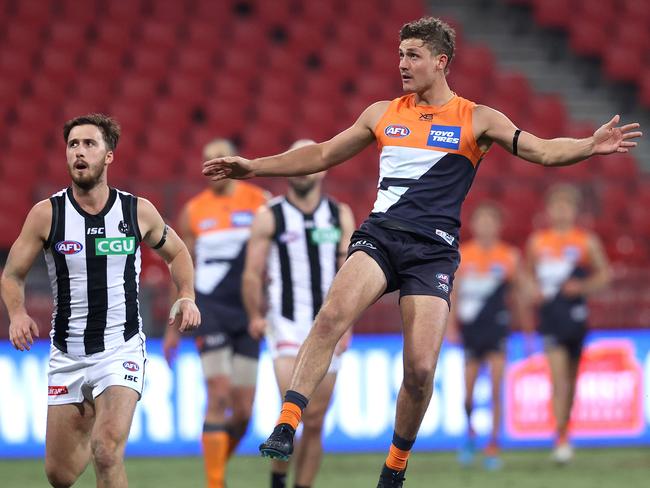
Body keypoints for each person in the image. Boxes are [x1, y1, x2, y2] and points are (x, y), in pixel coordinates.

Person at [202, 16, 642, 487]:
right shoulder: (382, 113)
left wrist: (588, 146)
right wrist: (254, 167)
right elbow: (323, 154)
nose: (402, 64)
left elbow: (543, 151)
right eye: (400, 55)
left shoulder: (478, 119)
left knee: (420, 368)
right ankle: (287, 421)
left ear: (441, 61)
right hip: (381, 237)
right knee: (331, 315)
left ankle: (394, 466)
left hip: (434, 252)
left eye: (413, 56)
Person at [0, 113, 200, 488]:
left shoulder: (136, 211)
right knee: (59, 476)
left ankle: (103, 415)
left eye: (89, 144)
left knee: (106, 451)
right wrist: (17, 313)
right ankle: (90, 412)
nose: (79, 151)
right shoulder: (47, 214)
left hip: (119, 349)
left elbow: (178, 254)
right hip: (67, 355)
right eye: (73, 144)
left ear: (109, 156)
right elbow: (12, 274)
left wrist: (187, 296)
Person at [241, 140, 356, 488]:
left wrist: (348, 322)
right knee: (293, 411)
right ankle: (278, 480)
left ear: (323, 168)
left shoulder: (340, 214)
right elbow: (252, 271)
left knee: (317, 421)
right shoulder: (270, 214)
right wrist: (255, 314)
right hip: (285, 323)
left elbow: (350, 271)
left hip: (329, 324)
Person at [163, 138, 268, 488]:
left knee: (243, 412)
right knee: (218, 395)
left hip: (248, 310)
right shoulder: (194, 211)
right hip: (211, 309)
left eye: (216, 161)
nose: (210, 168)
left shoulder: (260, 204)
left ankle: (216, 464)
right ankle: (215, 483)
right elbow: (181, 269)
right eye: (205, 162)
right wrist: (174, 326)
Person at [523, 183, 610, 464]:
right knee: (558, 378)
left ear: (574, 211)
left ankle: (565, 429)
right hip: (550, 316)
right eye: (556, 206)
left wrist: (582, 286)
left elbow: (604, 275)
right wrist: (533, 290)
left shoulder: (586, 241)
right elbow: (525, 277)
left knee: (571, 380)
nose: (561, 211)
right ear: (549, 211)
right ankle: (560, 438)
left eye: (566, 206)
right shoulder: (538, 242)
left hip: (575, 317)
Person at [447, 203, 522, 470]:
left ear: (498, 226)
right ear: (475, 225)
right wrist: (451, 326)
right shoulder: (463, 255)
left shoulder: (509, 256)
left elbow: (518, 294)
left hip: (497, 328)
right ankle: (470, 433)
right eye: (482, 221)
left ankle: (493, 444)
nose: (487, 226)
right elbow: (453, 293)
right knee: (468, 392)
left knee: (496, 387)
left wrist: (526, 329)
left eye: (491, 221)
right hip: (471, 329)